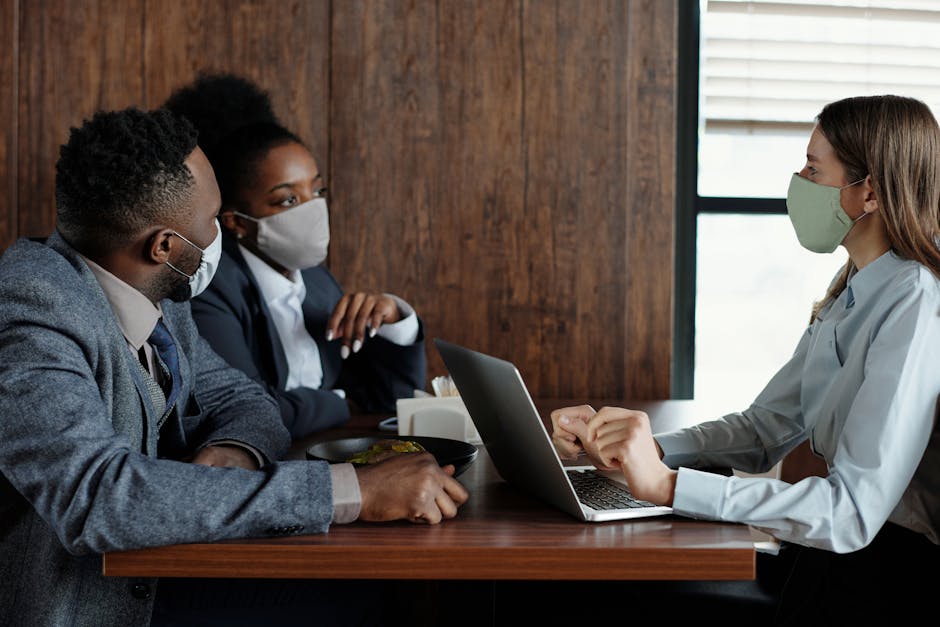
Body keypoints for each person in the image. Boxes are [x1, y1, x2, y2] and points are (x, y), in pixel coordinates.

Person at [0, 107, 467, 627]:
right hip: (90, 605)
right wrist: (354, 491)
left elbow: (244, 399)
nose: (220, 232)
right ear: (165, 246)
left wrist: (232, 453)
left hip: (164, 567)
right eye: (213, 218)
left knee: (383, 594)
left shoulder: (157, 289)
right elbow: (97, 499)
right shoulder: (31, 316)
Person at [551, 95, 940, 624]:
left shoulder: (916, 299)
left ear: (868, 191)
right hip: (827, 559)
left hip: (883, 579)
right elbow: (764, 430)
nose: (798, 182)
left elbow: (850, 514)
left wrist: (668, 485)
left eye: (812, 168)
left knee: (594, 595)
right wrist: (639, 448)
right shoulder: (857, 285)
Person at [163, 73, 426, 439]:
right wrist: (340, 403)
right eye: (288, 199)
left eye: (317, 190)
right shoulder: (212, 288)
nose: (313, 209)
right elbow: (250, 410)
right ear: (236, 222)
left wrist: (397, 321)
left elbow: (392, 402)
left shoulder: (316, 279)